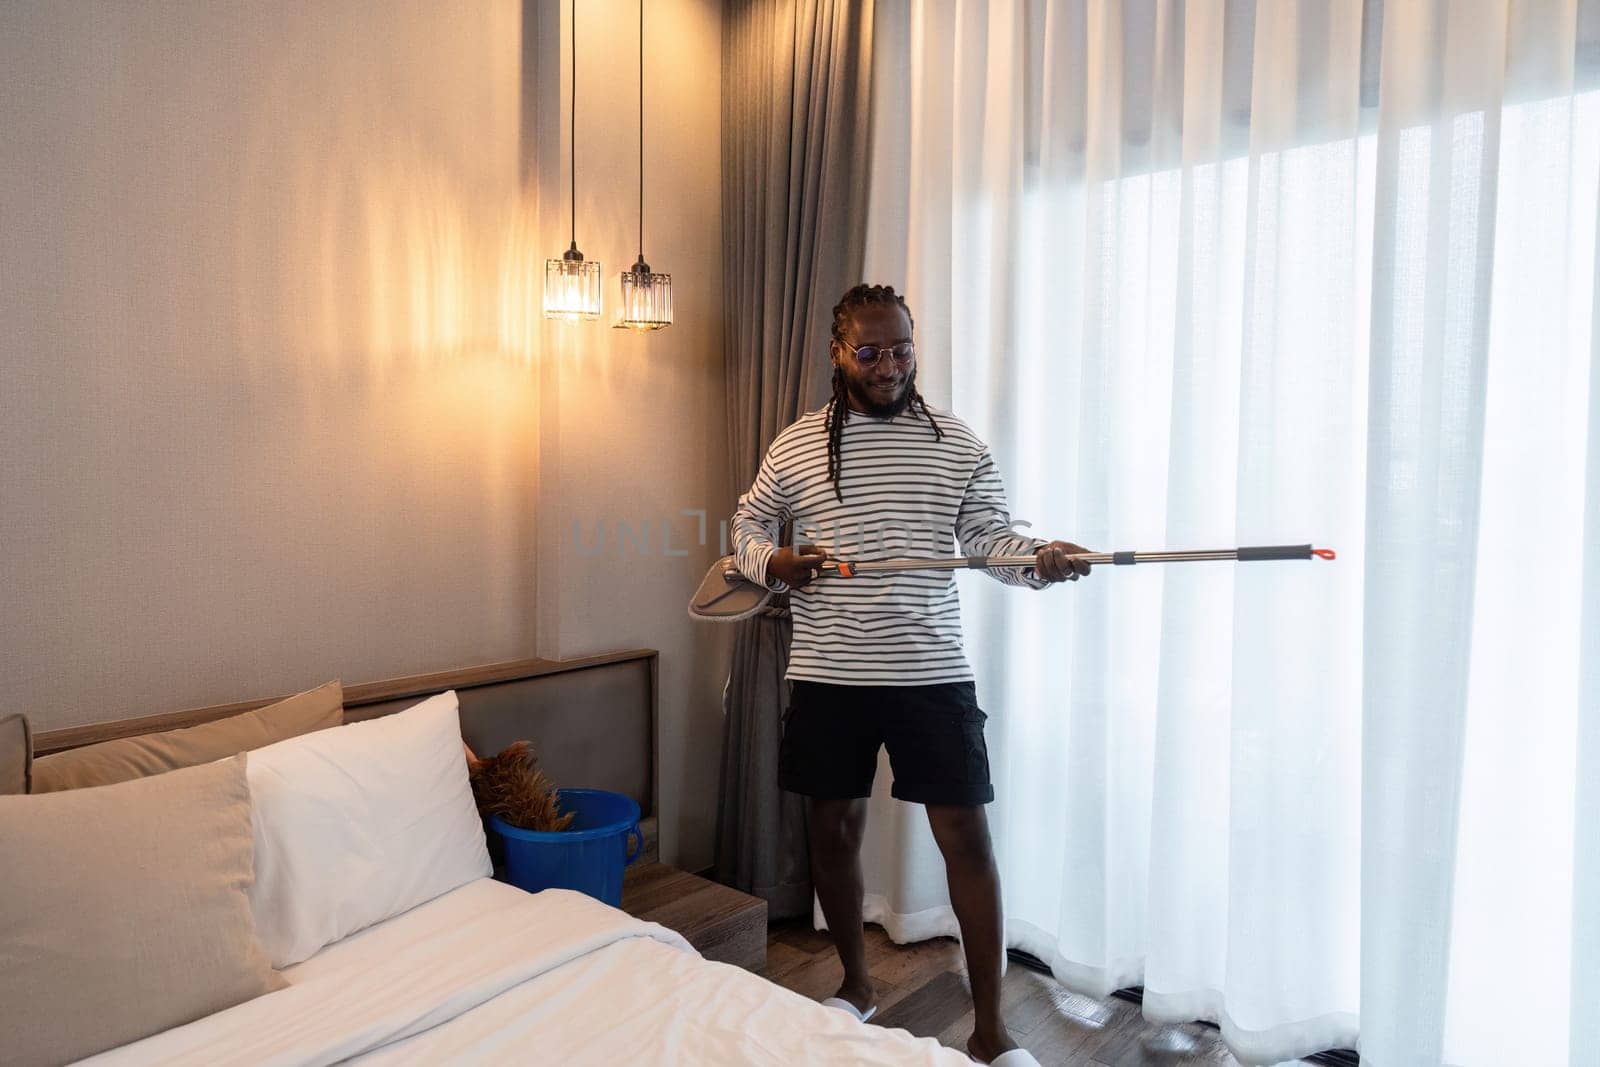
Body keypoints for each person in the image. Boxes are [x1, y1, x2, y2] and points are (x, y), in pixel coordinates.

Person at [731, 283, 1091, 1064]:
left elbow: (991, 540)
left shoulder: (956, 443)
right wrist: (776, 561)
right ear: (840, 352)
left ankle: (992, 1028)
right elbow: (747, 523)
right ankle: (857, 985)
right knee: (833, 830)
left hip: (930, 670)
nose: (888, 365)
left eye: (900, 348)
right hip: (829, 670)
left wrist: (1041, 561)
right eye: (870, 351)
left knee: (966, 835)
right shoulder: (797, 443)